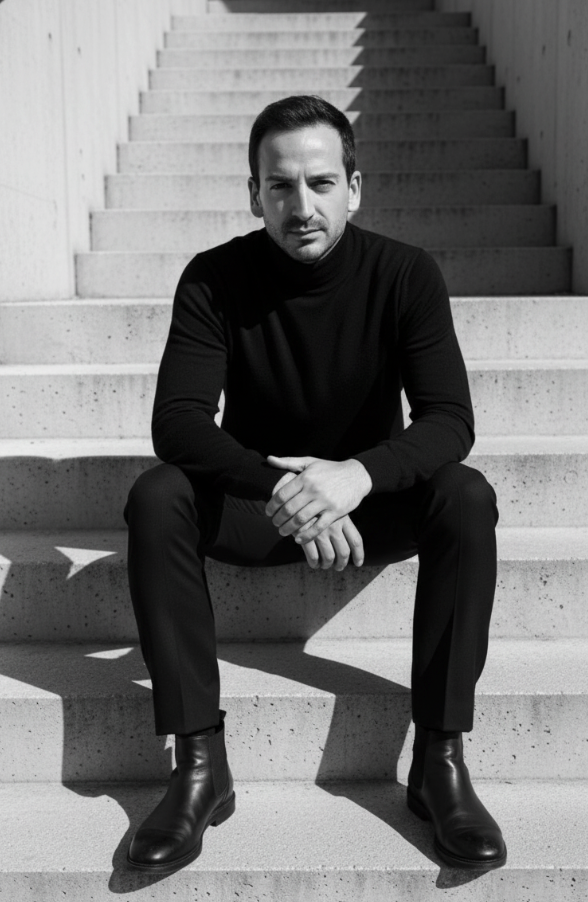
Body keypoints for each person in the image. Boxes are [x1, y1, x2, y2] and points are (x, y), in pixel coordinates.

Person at [123, 94, 507, 874]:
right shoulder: (214, 279)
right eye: (281, 186)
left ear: (354, 188)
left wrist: (356, 476)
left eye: (322, 183)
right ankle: (199, 766)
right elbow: (180, 423)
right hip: (262, 505)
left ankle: (439, 761)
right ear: (255, 194)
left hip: (371, 506)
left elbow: (449, 420)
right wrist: (284, 491)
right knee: (157, 496)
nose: (302, 206)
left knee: (466, 496)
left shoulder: (405, 273)